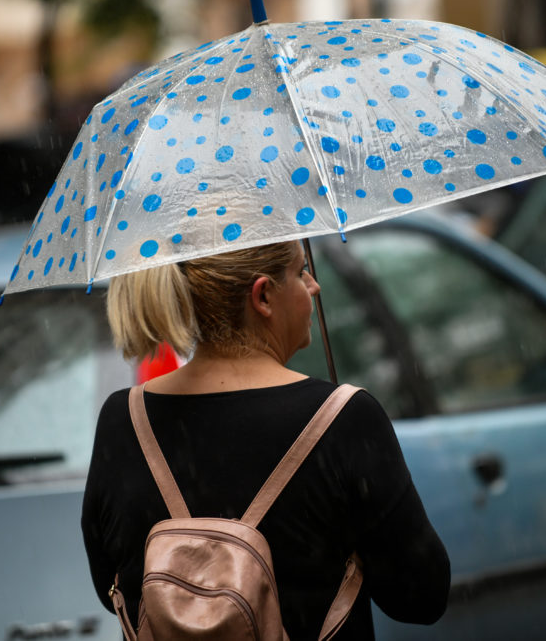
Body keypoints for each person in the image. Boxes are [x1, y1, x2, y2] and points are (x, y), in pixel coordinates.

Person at [81, 240, 450, 640]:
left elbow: (112, 588)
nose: (314, 286)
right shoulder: (344, 418)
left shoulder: (124, 418)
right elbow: (420, 598)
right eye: (300, 271)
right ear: (263, 296)